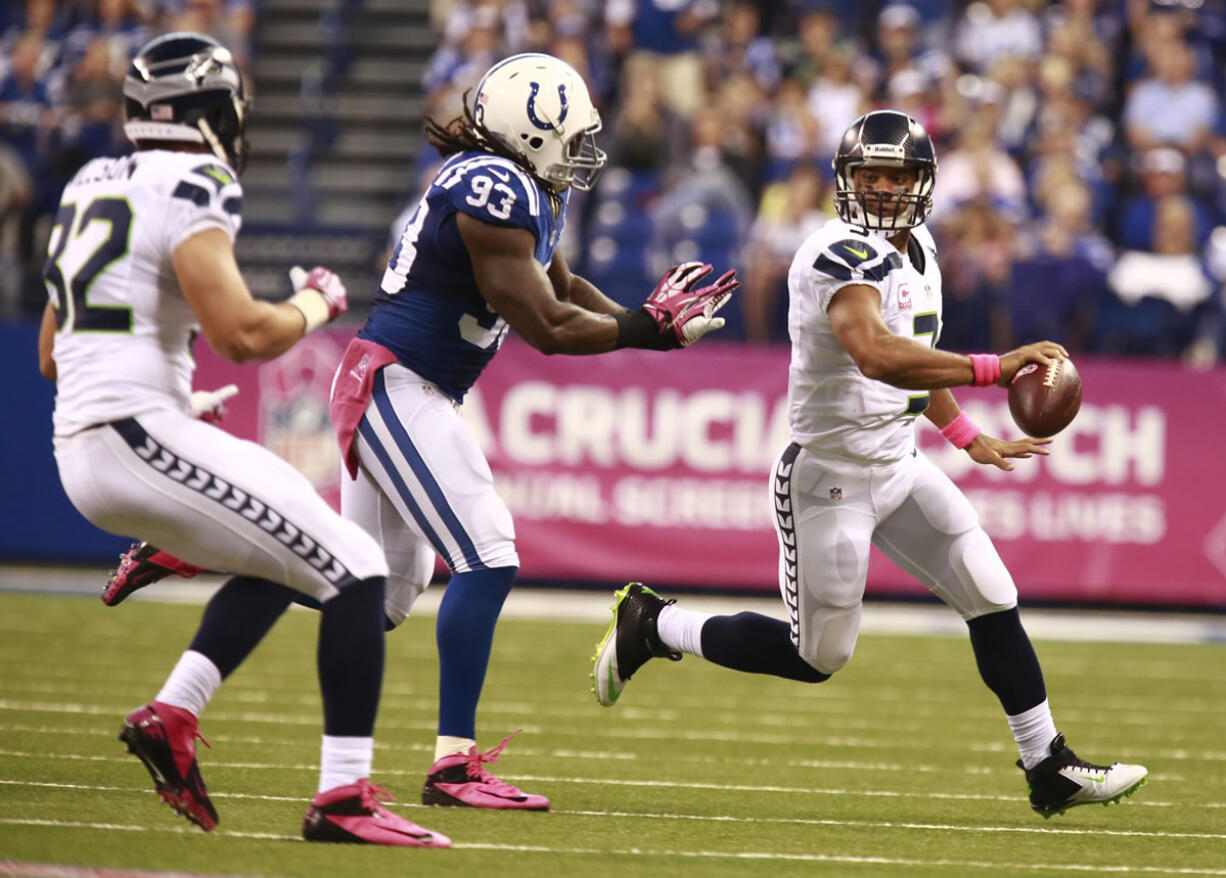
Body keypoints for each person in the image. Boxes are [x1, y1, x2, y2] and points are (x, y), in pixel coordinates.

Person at [98, 51, 738, 812]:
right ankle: (454, 765)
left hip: (406, 383)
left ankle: (194, 548)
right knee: (489, 552)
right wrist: (644, 329)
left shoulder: (521, 186)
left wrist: (649, 323)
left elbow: (564, 289)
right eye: (570, 135)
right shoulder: (490, 187)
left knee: (384, 595)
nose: (582, 153)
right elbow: (548, 327)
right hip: (396, 382)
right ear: (528, 132)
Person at [592, 110, 1148, 819]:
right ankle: (654, 624)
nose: (884, 190)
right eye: (870, 176)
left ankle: (1048, 763)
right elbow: (876, 354)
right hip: (829, 478)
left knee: (990, 590)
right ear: (846, 182)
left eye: (898, 176)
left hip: (897, 461)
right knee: (818, 657)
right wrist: (996, 367)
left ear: (923, 183)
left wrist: (967, 435)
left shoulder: (921, 250)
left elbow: (916, 357)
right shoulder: (838, 254)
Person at [39, 32, 448, 847]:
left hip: (100, 438)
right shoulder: (195, 177)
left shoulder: (90, 182)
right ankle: (342, 799)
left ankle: (172, 713)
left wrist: (172, 402)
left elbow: (53, 353)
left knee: (288, 546)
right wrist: (316, 303)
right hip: (131, 438)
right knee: (360, 568)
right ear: (206, 112)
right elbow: (242, 334)